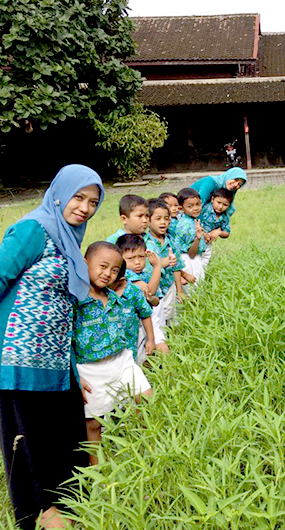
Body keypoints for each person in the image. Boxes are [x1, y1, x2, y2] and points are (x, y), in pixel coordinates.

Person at [0, 164, 103, 529]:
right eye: (78, 197)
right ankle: (40, 516)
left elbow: (64, 309)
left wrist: (74, 367)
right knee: (29, 444)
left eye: (93, 202)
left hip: (57, 362)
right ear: (60, 193)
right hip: (19, 357)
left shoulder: (69, 239)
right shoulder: (34, 229)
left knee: (67, 438)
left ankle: (69, 510)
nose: (85, 208)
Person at [75, 242, 152, 466]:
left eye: (115, 270)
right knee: (93, 424)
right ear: (85, 263)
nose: (107, 273)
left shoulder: (116, 298)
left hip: (122, 360)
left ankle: (145, 451)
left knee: (146, 399)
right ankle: (97, 474)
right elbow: (67, 340)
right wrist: (75, 375)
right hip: (90, 369)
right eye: (102, 266)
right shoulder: (76, 302)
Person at [116, 234, 168, 354]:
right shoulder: (126, 274)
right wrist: (157, 267)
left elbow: (155, 299)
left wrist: (152, 299)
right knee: (142, 352)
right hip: (134, 320)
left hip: (149, 317)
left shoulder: (145, 275)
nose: (137, 262)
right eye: (131, 258)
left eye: (141, 257)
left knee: (161, 347)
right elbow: (150, 290)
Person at [145, 199, 187, 324]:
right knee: (157, 318)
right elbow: (149, 265)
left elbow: (176, 267)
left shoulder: (171, 241)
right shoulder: (146, 242)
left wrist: (179, 291)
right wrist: (167, 261)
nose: (163, 222)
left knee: (172, 315)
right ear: (148, 221)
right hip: (154, 288)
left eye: (166, 218)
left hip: (169, 285)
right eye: (158, 219)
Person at [172, 188, 207, 282]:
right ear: (181, 208)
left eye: (198, 204)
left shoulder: (187, 219)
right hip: (190, 261)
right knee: (195, 289)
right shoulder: (188, 226)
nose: (196, 208)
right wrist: (198, 239)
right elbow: (191, 253)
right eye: (190, 206)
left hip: (188, 259)